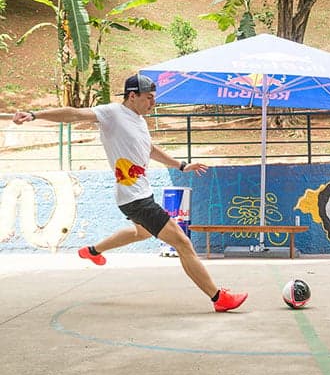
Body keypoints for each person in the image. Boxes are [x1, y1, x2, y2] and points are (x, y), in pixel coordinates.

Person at [12, 74, 248, 313]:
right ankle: (218, 297)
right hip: (135, 199)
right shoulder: (112, 113)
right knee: (183, 242)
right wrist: (35, 115)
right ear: (132, 96)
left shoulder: (138, 120)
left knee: (142, 233)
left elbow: (150, 149)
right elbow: (74, 113)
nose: (152, 103)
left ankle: (93, 251)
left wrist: (181, 165)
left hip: (138, 195)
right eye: (148, 98)